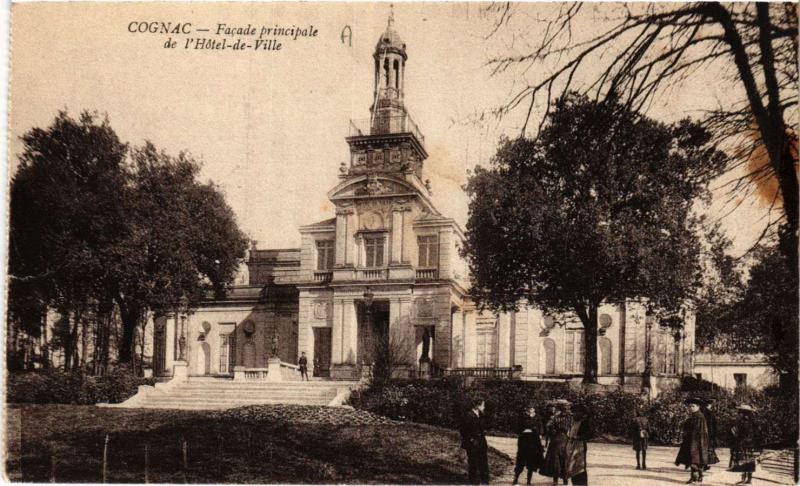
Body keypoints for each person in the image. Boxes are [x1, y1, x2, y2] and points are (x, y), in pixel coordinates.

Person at [675, 397, 709, 484]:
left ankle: (696, 477)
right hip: (693, 441)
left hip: (697, 442)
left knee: (695, 460)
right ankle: (696, 477)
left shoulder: (699, 417)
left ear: (698, 407)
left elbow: (698, 431)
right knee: (694, 460)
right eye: (689, 406)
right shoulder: (694, 416)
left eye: (693, 406)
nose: (691, 408)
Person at [540, 399, 572, 485]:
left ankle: (564, 480)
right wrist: (552, 431)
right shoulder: (555, 417)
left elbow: (573, 427)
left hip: (564, 440)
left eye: (567, 407)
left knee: (564, 460)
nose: (566, 409)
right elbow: (547, 426)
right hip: (557, 440)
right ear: (561, 408)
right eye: (565, 407)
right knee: (556, 460)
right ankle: (556, 481)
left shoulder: (569, 417)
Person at [459, 396, 490, 485]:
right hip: (473, 444)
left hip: (481, 443)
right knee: (474, 463)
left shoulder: (480, 415)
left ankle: (485, 482)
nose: (484, 407)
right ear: (477, 406)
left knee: (484, 462)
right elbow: (463, 430)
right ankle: (474, 482)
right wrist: (470, 440)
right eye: (483, 405)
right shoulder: (468, 415)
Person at [512, 404, 545, 485]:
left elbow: (541, 430)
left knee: (531, 461)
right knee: (521, 460)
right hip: (524, 441)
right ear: (526, 409)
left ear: (534, 409)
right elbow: (517, 428)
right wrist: (524, 431)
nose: (531, 410)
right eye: (529, 408)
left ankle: (528, 481)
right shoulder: (522, 417)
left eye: (532, 408)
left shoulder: (538, 418)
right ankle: (515, 479)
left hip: (534, 442)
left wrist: (538, 434)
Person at [729, 404, 761, 484]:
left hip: (745, 444)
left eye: (741, 411)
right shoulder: (751, 421)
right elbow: (757, 433)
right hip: (749, 444)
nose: (739, 413)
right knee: (747, 461)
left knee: (745, 460)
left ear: (744, 412)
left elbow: (739, 433)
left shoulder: (745, 421)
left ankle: (746, 479)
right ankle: (747, 479)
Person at [565, 403, 593, 485]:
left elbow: (589, 435)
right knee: (572, 465)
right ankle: (575, 483)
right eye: (574, 412)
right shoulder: (573, 422)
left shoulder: (585, 423)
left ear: (582, 413)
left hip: (580, 446)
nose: (574, 414)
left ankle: (582, 483)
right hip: (571, 445)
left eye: (577, 412)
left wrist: (578, 437)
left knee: (579, 466)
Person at [701, 398, 720, 470]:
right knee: (708, 450)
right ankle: (705, 465)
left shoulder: (701, 412)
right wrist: (715, 435)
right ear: (709, 405)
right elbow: (714, 425)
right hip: (709, 434)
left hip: (702, 433)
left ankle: (702, 465)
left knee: (702, 449)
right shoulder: (711, 413)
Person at [630, 405, 650, 470]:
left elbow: (631, 429)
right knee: (644, 450)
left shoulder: (634, 419)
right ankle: (644, 465)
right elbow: (649, 429)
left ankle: (638, 465)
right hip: (644, 435)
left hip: (637, 436)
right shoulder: (646, 419)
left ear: (637, 413)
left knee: (638, 451)